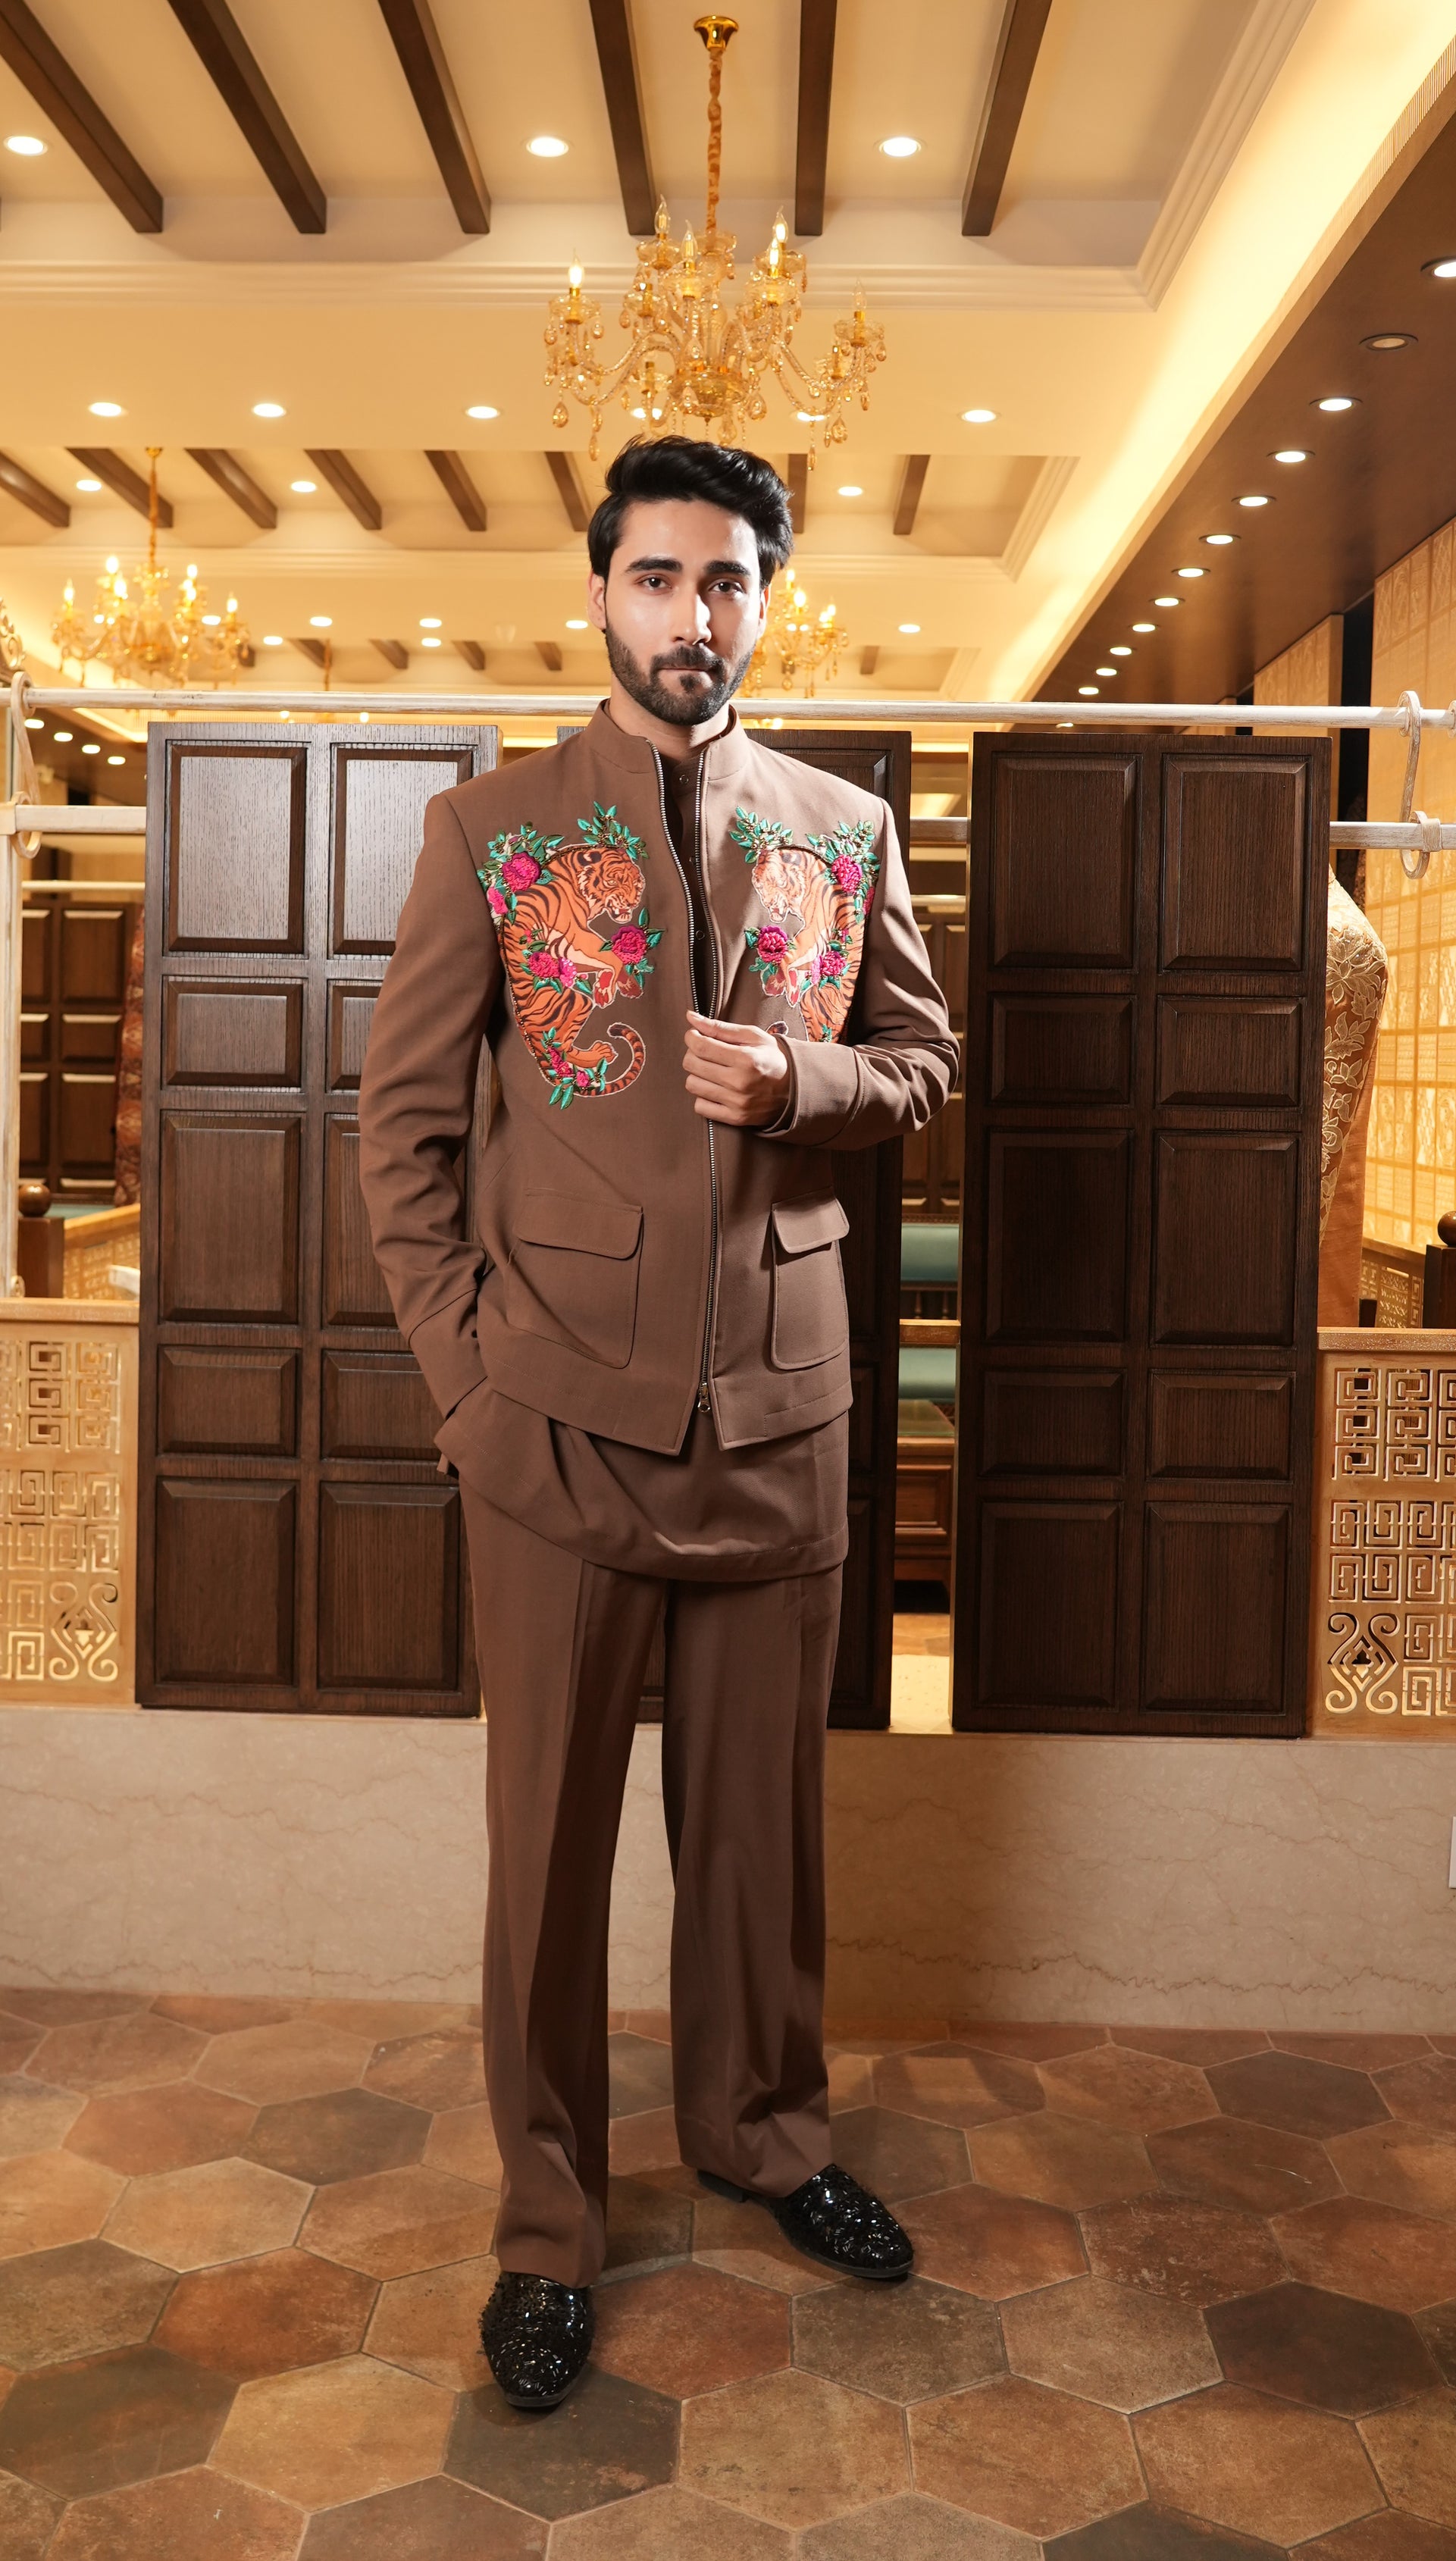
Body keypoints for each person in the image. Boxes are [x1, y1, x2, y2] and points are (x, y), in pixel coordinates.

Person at [359, 435, 957, 2409]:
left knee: (759, 1834)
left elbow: (921, 1062)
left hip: (779, 1413)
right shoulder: (493, 831)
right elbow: (405, 1131)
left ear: (766, 599)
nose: (692, 613)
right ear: (601, 590)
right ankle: (547, 2225)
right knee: (545, 1852)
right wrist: (466, 1380)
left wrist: (800, 1079)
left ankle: (766, 2136)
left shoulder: (841, 826)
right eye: (658, 576)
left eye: (726, 580)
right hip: (550, 1420)